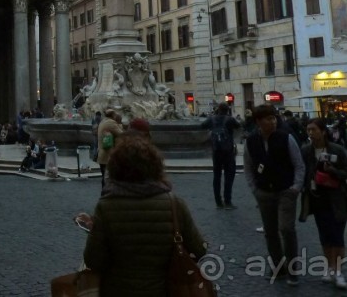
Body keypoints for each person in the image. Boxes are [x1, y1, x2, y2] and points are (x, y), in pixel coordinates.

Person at [80, 135, 206, 295]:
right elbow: (199, 250)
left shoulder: (106, 207)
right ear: (155, 166)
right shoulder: (175, 205)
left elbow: (93, 260)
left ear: (115, 168)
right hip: (164, 290)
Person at [243, 104, 305, 285]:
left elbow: (298, 164)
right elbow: (248, 167)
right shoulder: (251, 141)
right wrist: (254, 189)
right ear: (258, 122)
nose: (273, 121)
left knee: (286, 229)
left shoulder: (286, 138)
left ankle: (293, 269)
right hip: (264, 192)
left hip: (286, 190)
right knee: (270, 232)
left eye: (274, 118)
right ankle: (279, 267)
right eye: (269, 118)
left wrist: (296, 187)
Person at [299, 118, 347, 288]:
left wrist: (332, 170)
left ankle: (338, 272)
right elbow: (302, 171)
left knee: (337, 235)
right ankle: (330, 267)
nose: (310, 133)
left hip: (337, 197)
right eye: (308, 130)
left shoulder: (336, 149)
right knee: (325, 235)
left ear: (323, 131)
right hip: (317, 198)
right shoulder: (306, 150)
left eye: (313, 129)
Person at [201, 103, 241, 209]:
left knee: (217, 176)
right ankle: (228, 201)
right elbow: (239, 126)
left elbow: (202, 125)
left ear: (218, 109)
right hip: (228, 151)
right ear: (228, 110)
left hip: (216, 151)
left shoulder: (211, 119)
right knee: (229, 176)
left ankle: (218, 202)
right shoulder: (230, 119)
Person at [95, 109, 122, 191]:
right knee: (108, 178)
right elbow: (122, 134)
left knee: (104, 177)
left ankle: (104, 194)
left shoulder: (103, 121)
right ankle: (107, 195)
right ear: (113, 116)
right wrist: (120, 124)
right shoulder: (111, 123)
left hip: (101, 154)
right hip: (107, 155)